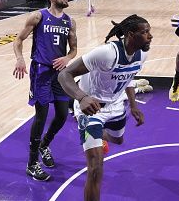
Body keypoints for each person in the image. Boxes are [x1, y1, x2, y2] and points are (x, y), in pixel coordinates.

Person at [58, 15, 152, 201]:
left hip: (116, 105)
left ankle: (100, 134)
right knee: (95, 168)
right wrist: (82, 97)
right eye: (145, 32)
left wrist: (133, 105)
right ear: (130, 34)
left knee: (118, 141)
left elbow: (129, 77)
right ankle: (92, 130)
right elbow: (64, 74)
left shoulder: (142, 53)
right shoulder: (106, 53)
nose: (150, 36)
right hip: (91, 110)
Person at [13, 0, 78, 181]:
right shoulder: (38, 17)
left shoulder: (70, 21)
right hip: (41, 71)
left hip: (60, 73)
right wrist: (20, 59)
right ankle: (32, 164)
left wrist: (67, 58)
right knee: (40, 117)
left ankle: (44, 145)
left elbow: (74, 49)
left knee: (62, 114)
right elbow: (18, 40)